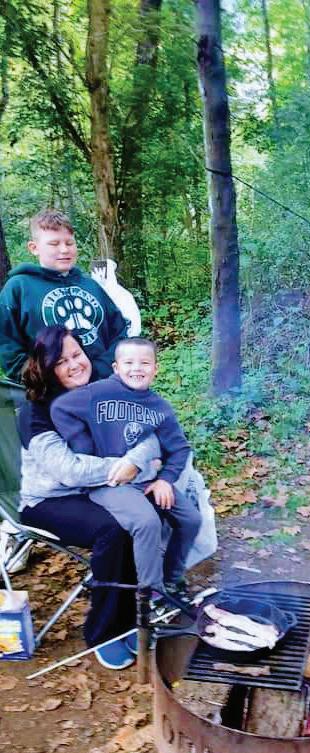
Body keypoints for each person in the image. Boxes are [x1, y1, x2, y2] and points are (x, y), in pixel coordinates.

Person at [18, 327, 159, 670]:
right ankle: (105, 632)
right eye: (61, 361)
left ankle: (138, 613)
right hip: (49, 501)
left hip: (96, 488)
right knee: (113, 529)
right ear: (46, 368)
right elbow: (68, 471)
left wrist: (138, 459)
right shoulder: (36, 413)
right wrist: (128, 466)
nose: (74, 365)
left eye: (77, 354)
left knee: (151, 508)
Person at [51, 337, 201, 598]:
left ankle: (171, 579)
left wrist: (165, 479)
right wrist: (84, 447)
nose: (136, 368)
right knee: (146, 522)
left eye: (145, 363)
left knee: (191, 519)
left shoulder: (160, 407)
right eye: (129, 362)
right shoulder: (97, 393)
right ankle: (150, 593)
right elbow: (60, 408)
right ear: (116, 367)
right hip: (110, 484)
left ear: (156, 369)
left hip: (147, 480)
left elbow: (180, 448)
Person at [0, 209, 128, 382]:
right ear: (34, 248)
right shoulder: (18, 288)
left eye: (69, 243)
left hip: (102, 384)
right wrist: (44, 379)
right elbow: (7, 345)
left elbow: (119, 331)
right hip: (49, 391)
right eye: (54, 244)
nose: (64, 249)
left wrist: (100, 370)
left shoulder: (90, 285)